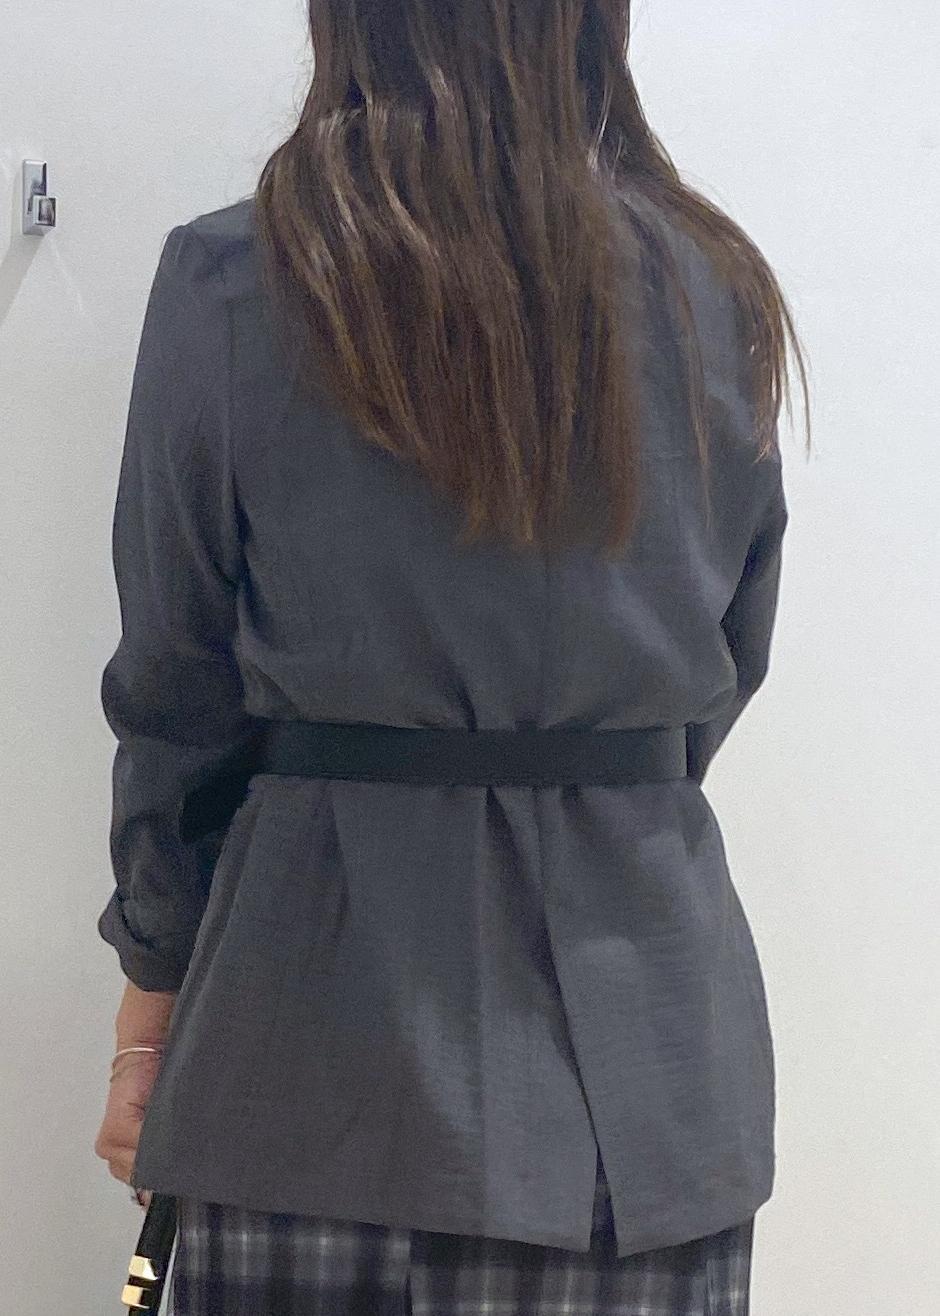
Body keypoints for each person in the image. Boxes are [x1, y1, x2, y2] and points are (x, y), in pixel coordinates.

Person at [94, 2, 809, 1312]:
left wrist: (153, 993)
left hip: (311, 1061)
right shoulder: (714, 291)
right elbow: (728, 653)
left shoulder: (238, 280)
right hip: (647, 1095)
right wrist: (578, 786)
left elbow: (177, 695)